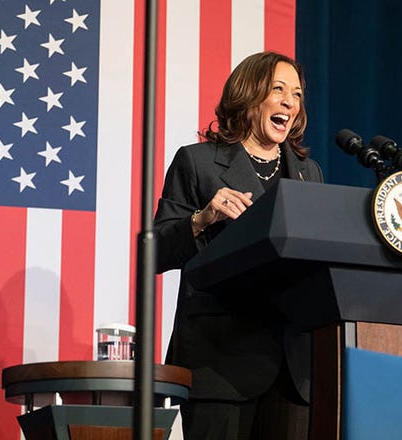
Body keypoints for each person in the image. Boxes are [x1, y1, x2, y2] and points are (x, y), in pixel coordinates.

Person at [154, 51, 323, 440]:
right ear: (249, 95)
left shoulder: (309, 174)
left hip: (294, 370)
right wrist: (202, 219)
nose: (289, 102)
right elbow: (155, 252)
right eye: (278, 90)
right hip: (220, 363)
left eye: (296, 94)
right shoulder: (198, 163)